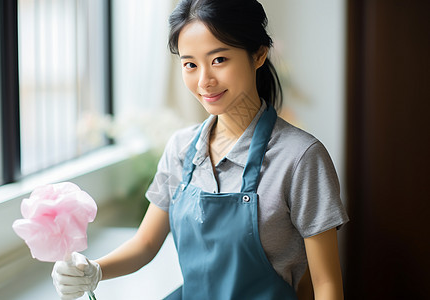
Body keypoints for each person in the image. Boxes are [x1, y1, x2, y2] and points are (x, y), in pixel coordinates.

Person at [51, 0, 349, 299]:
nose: (204, 81)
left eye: (219, 60)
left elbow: (326, 285)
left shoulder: (300, 157)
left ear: (258, 54)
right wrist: (93, 270)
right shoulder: (181, 148)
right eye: (190, 64)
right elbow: (146, 244)